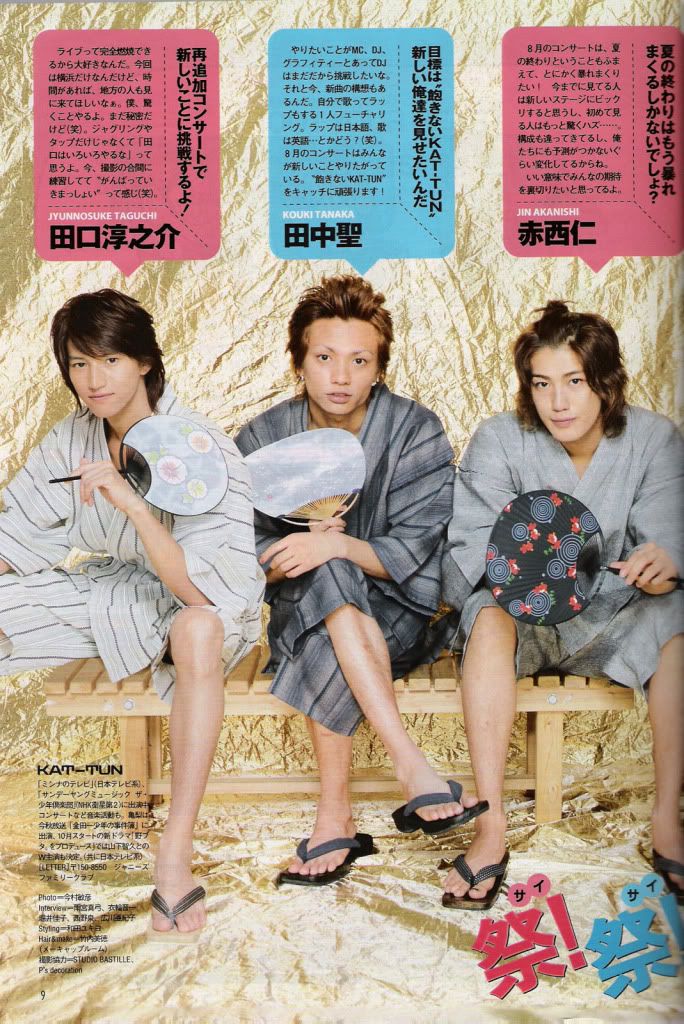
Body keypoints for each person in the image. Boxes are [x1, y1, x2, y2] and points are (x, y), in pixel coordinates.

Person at [0, 289, 264, 935]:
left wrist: (136, 507)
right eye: (79, 363)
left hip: (201, 603)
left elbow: (204, 592)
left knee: (197, 631)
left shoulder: (201, 445)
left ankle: (175, 853)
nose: (94, 379)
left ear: (145, 361)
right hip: (116, 594)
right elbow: (18, 535)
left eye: (111, 360)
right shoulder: (72, 438)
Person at [236, 274, 487, 885]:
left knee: (333, 578)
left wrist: (339, 546)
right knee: (327, 584)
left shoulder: (414, 429)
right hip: (302, 608)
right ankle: (412, 767)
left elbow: (420, 542)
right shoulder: (264, 439)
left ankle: (334, 819)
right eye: (324, 358)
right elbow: (238, 546)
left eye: (359, 360)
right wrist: (290, 554)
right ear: (298, 361)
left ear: (378, 368)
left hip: (401, 618)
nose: (340, 377)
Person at [442, 300, 683, 908]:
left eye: (574, 381)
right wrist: (526, 574)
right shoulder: (500, 438)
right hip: (523, 618)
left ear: (605, 382)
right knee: (487, 617)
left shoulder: (653, 438)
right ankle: (491, 824)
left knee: (677, 620)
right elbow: (471, 545)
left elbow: (667, 534)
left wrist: (662, 566)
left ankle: (667, 817)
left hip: (615, 612)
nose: (558, 402)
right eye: (541, 383)